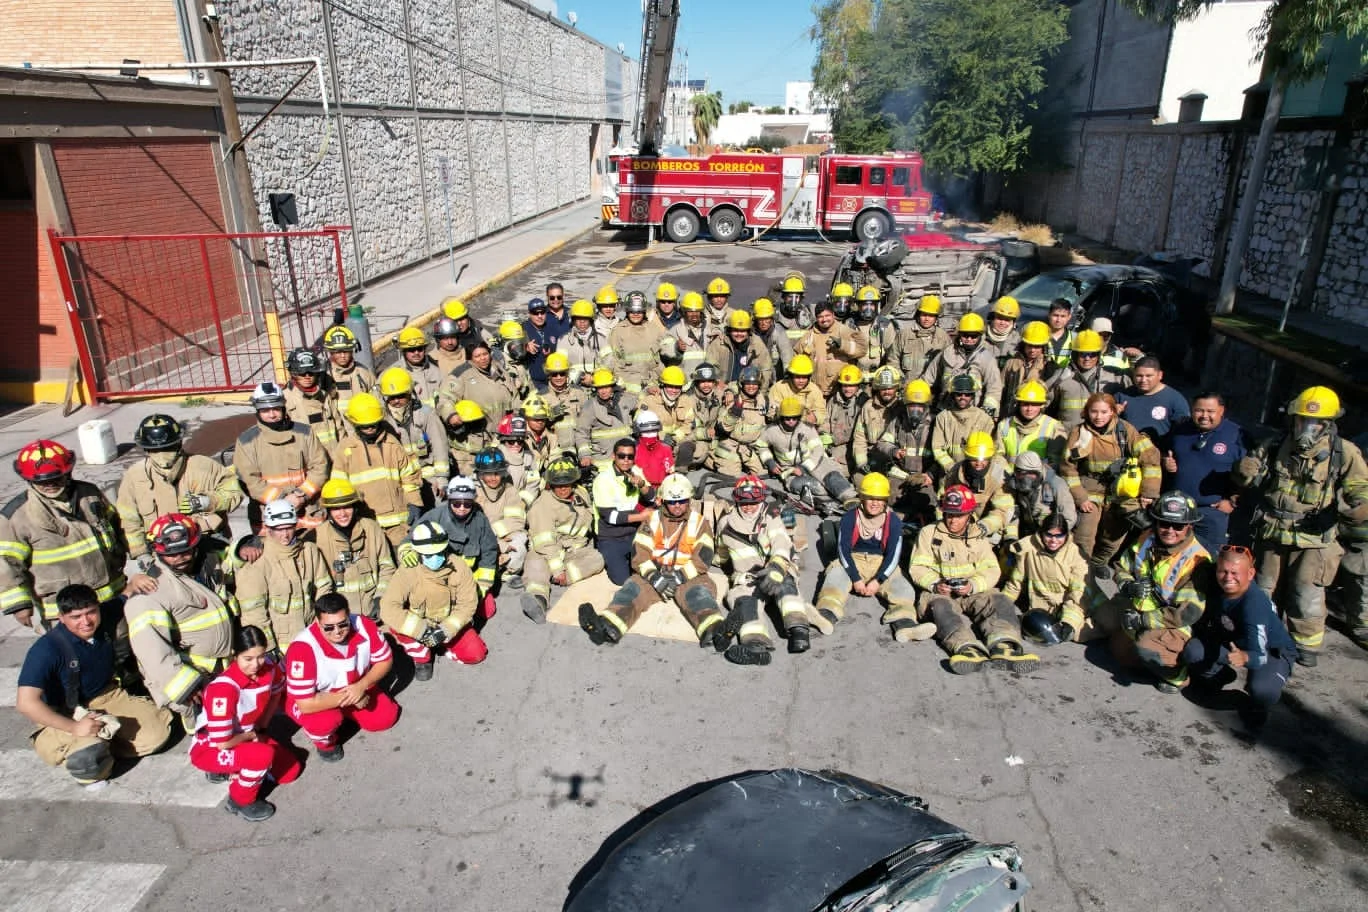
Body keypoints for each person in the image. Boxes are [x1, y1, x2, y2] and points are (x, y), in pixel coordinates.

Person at [1234, 386, 1368, 666]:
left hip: (1314, 539)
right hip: (1272, 531)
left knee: (1306, 592)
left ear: (1327, 424)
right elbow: (1249, 475)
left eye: (1315, 422)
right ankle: (1264, 634)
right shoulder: (1274, 445)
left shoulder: (1344, 453)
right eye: (1302, 420)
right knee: (1264, 587)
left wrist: (1358, 506)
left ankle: (1305, 644)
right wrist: (1243, 471)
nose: (1307, 427)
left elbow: (1359, 488)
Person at [16, 584, 173, 787]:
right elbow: (26, 703)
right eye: (76, 617)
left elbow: (125, 594)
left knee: (158, 734)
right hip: (65, 711)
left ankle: (104, 738)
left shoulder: (105, 615)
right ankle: (77, 744)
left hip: (105, 696)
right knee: (89, 762)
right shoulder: (46, 649)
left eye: (91, 612)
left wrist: (136, 581)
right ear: (61, 617)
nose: (86, 621)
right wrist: (74, 727)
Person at [579, 474, 736, 657]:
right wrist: (654, 576)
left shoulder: (700, 523)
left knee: (697, 595)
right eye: (672, 502)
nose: (677, 506)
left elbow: (703, 557)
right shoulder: (652, 520)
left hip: (690, 574)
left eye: (682, 501)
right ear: (663, 501)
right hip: (655, 571)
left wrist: (680, 576)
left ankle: (716, 631)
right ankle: (607, 626)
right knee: (631, 591)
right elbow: (639, 553)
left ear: (689, 500)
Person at [1, 439, 150, 633]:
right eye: (42, 481)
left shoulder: (89, 494)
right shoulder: (17, 516)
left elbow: (118, 526)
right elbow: (5, 563)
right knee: (79, 659)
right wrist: (19, 605)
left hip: (113, 597)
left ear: (68, 472)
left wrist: (141, 554)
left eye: (57, 478)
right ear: (29, 480)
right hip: (65, 612)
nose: (50, 485)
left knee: (122, 651)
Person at [1084, 491, 1211, 692]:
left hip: (1175, 624)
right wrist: (1127, 585)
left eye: (1178, 526)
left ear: (1189, 526)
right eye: (1164, 523)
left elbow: (1187, 613)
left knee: (1146, 647)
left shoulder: (1198, 561)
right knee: (1119, 651)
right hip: (1140, 608)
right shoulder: (1147, 538)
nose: (1170, 530)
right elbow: (1121, 566)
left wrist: (1142, 622)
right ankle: (1147, 656)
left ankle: (1177, 676)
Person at [909, 486, 1040, 673]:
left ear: (969, 515)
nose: (952, 520)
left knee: (1000, 600)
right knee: (940, 609)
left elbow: (992, 569)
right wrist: (935, 584)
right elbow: (917, 567)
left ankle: (1004, 646)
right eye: (948, 514)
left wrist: (973, 585)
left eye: (958, 515)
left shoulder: (978, 536)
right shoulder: (929, 533)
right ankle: (967, 649)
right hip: (940, 591)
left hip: (971, 589)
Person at [124, 514, 236, 728]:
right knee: (213, 736)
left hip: (223, 669)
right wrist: (185, 688)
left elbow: (231, 559)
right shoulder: (150, 592)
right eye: (173, 554)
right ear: (157, 550)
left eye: (186, 550)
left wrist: (244, 547)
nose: (181, 558)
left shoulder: (204, 564)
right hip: (195, 681)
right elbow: (153, 654)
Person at [189, 625, 303, 821]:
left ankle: (238, 771)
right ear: (235, 655)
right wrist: (252, 735)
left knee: (290, 770)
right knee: (263, 756)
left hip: (245, 735)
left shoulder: (268, 668)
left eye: (260, 656)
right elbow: (223, 742)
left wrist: (263, 728)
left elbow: (276, 693)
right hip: (212, 747)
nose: (256, 664)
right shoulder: (223, 690)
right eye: (248, 659)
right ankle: (240, 800)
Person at [1181, 544, 1296, 732]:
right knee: (1193, 651)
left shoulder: (1254, 606)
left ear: (1250, 574)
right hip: (1233, 639)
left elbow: (1259, 656)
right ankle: (1218, 677)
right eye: (1223, 571)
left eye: (1235, 573)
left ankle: (1256, 707)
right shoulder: (1215, 584)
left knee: (1262, 691)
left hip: (1268, 650)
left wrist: (1245, 657)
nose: (1228, 578)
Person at [284, 592, 398, 762]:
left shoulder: (364, 625)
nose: (337, 632)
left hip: (355, 686)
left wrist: (362, 686)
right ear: (317, 622)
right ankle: (325, 744)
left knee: (385, 718)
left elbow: (385, 660)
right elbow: (306, 703)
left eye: (342, 624)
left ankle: (346, 716)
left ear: (349, 615)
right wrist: (352, 697)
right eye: (328, 627)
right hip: (314, 698)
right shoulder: (303, 648)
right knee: (324, 722)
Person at [116, 413, 242, 562]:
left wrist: (208, 501)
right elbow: (128, 520)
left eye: (169, 448)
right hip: (162, 550)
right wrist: (140, 553)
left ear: (179, 443)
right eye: (155, 451)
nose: (162, 456)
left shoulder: (204, 466)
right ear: (146, 450)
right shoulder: (135, 477)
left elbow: (234, 493)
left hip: (207, 545)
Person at [814, 474, 923, 641]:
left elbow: (893, 555)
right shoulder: (850, 517)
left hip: (881, 562)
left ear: (885, 500)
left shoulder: (892, 520)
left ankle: (905, 625)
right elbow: (843, 550)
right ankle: (825, 615)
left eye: (879, 499)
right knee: (834, 579)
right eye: (870, 498)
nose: (874, 503)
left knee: (904, 589)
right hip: (853, 559)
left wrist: (878, 581)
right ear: (862, 498)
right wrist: (856, 579)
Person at [714, 475, 812, 658]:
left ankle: (799, 630)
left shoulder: (770, 517)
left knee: (786, 587)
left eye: (753, 502)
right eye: (744, 502)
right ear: (736, 501)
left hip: (774, 570)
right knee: (745, 603)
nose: (749, 507)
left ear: (761, 500)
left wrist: (777, 568)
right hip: (748, 578)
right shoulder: (725, 523)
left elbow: (781, 542)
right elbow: (721, 553)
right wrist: (724, 567)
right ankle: (755, 646)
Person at [1060, 392, 1161, 565]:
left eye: (1104, 412)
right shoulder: (1079, 433)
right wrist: (1080, 497)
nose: (1098, 417)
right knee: (1084, 534)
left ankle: (1098, 563)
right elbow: (1068, 468)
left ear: (1113, 412)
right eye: (1094, 412)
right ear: (1086, 412)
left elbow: (1150, 458)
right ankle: (1081, 569)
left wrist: (1148, 493)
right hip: (1090, 488)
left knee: (1113, 536)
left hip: (1121, 489)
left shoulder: (1125, 430)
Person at [381, 521, 486, 679]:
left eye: (440, 552)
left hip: (447, 624)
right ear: (419, 553)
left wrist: (446, 630)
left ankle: (442, 647)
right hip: (419, 626)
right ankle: (422, 658)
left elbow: (467, 604)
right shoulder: (408, 571)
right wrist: (421, 631)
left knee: (476, 654)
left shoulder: (459, 567)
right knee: (397, 626)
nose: (435, 558)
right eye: (429, 555)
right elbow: (389, 608)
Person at [236, 499, 334, 652]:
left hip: (312, 639)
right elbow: (253, 612)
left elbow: (324, 590)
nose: (285, 535)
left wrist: (321, 628)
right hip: (281, 648)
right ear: (268, 529)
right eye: (279, 529)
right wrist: (268, 648)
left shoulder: (309, 551)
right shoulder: (259, 560)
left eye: (289, 528)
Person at [233, 382, 330, 532]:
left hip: (308, 513)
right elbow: (250, 482)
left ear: (284, 407)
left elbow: (320, 466)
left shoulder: (305, 433)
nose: (272, 415)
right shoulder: (247, 441)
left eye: (276, 408)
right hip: (270, 520)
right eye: (265, 410)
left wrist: (301, 495)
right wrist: (283, 500)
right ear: (257, 411)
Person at [330, 392, 424, 547]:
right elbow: (339, 487)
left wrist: (415, 503)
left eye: (373, 424)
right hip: (365, 525)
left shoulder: (392, 444)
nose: (370, 429)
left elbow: (409, 476)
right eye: (365, 425)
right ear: (354, 423)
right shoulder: (346, 449)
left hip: (398, 525)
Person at [520, 456, 605, 623]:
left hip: (575, 549)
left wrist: (565, 574)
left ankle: (562, 577)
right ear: (551, 484)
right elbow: (544, 542)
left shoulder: (580, 493)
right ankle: (538, 600)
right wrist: (557, 568)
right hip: (548, 550)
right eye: (558, 484)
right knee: (535, 562)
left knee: (598, 559)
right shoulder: (542, 505)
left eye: (567, 483)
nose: (563, 488)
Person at [1162, 392, 1245, 553]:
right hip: (1177, 508)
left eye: (1210, 411)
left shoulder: (1237, 435)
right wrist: (1166, 461)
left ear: (1222, 410)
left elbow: (1250, 474)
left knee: (1209, 559)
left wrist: (1233, 501)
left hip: (1211, 512)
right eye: (1199, 410)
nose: (1204, 416)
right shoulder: (1180, 430)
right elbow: (1164, 452)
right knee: (1172, 556)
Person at [312, 479, 395, 619]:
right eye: (336, 509)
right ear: (327, 511)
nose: (342, 513)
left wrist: (380, 598)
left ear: (355, 507)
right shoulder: (318, 537)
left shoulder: (371, 528)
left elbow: (387, 568)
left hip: (374, 613)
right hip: (340, 619)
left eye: (347, 507)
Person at [757, 398, 858, 510]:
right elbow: (761, 446)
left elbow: (818, 449)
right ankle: (831, 495)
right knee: (800, 485)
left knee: (831, 477)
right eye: (787, 418)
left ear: (799, 416)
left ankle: (850, 498)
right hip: (789, 469)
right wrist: (770, 462)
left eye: (794, 418)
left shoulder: (807, 428)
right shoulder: (771, 431)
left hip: (815, 462)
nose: (791, 421)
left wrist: (803, 468)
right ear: (781, 416)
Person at [1004, 512, 1088, 647]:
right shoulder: (1028, 549)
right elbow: (1015, 583)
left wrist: (1069, 622)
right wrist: (1002, 605)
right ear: (1041, 533)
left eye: (1059, 536)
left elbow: (1078, 594)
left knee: (1086, 631)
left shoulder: (1077, 556)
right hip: (1041, 609)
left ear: (1067, 535)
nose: (1054, 541)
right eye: (1049, 535)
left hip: (1075, 606)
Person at [378, 366, 450, 505]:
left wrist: (442, 479)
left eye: (400, 396)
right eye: (391, 397)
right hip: (402, 481)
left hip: (429, 477)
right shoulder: (383, 420)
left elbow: (439, 446)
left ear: (409, 394)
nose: (396, 401)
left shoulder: (426, 414)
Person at [875, 380, 938, 522]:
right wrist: (893, 451)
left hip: (923, 477)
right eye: (912, 406)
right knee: (888, 498)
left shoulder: (935, 425)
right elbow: (883, 442)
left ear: (926, 406)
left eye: (919, 407)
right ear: (906, 406)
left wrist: (930, 474)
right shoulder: (898, 421)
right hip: (901, 475)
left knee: (927, 502)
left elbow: (942, 454)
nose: (915, 411)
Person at [593, 437, 653, 584]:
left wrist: (642, 484)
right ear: (614, 456)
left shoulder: (636, 472)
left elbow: (652, 498)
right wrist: (642, 517)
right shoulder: (603, 480)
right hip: (610, 537)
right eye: (621, 456)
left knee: (650, 569)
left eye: (630, 457)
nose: (626, 460)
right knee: (622, 579)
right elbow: (610, 517)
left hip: (633, 532)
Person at [922, 313, 1004, 417]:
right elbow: (928, 378)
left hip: (973, 414)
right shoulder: (947, 353)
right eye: (965, 335)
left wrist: (988, 410)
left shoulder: (987, 359)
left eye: (973, 336)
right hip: (945, 412)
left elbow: (994, 388)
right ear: (960, 335)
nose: (969, 339)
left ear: (980, 336)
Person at [462, 455, 524, 588]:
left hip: (503, 534)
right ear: (480, 473)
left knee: (520, 543)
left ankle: (503, 573)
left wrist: (497, 532)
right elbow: (468, 524)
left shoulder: (509, 490)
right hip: (479, 537)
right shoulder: (471, 491)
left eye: (497, 473)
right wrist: (496, 541)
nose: (493, 478)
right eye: (488, 474)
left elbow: (516, 520)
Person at [940, 432, 1015, 540]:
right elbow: (944, 499)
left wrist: (983, 527)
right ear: (967, 456)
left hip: (988, 529)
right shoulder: (956, 472)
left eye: (984, 459)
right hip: (959, 523)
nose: (979, 463)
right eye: (974, 459)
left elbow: (1002, 511)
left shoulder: (999, 477)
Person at [1048, 330, 1127, 429]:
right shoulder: (1062, 376)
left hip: (1099, 437)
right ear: (1075, 355)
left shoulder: (1111, 377)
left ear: (1098, 355)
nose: (1087, 358)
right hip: (1067, 437)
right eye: (1083, 354)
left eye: (1092, 354)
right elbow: (1044, 405)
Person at [794, 299, 867, 396]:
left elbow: (862, 349)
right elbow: (796, 356)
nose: (824, 320)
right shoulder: (810, 335)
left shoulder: (843, 330)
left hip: (839, 392)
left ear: (833, 315)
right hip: (816, 392)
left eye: (827, 316)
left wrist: (842, 345)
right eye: (820, 317)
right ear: (816, 318)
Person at [575, 368, 638, 475]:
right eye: (600, 388)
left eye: (606, 387)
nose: (603, 391)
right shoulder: (589, 407)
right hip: (603, 463)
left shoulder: (624, 400)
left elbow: (640, 404)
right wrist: (585, 455)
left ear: (613, 387)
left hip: (625, 459)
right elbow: (581, 433)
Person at [438, 340, 518, 424]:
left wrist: (518, 415)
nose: (483, 358)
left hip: (506, 426)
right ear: (470, 358)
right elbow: (445, 397)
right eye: (477, 356)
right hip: (479, 432)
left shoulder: (499, 369)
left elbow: (515, 396)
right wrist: (451, 415)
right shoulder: (461, 374)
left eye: (485, 354)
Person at [709, 366, 768, 477]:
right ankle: (709, 457)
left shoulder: (763, 400)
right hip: (731, 443)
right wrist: (735, 411)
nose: (751, 387)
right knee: (731, 474)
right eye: (748, 383)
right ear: (741, 384)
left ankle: (743, 462)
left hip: (750, 446)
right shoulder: (732, 399)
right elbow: (723, 427)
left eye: (755, 383)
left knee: (762, 473)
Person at [1116, 356, 1189, 446]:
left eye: (1149, 376)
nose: (1143, 380)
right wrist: (1113, 414)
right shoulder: (1122, 396)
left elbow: (1183, 432)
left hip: (1158, 454)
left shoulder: (1175, 399)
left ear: (1160, 375)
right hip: (1127, 452)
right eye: (1139, 376)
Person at [930, 374, 995, 474]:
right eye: (959, 394)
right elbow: (937, 449)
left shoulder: (984, 420)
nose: (963, 397)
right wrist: (953, 468)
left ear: (973, 396)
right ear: (952, 395)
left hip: (975, 474)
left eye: (967, 394)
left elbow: (988, 453)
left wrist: (974, 471)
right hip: (948, 475)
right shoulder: (943, 417)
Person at [283, 347, 346, 451]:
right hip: (309, 462)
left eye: (311, 372)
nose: (307, 376)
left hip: (334, 457)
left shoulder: (325, 396)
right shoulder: (286, 400)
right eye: (302, 373)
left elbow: (339, 428)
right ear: (293, 373)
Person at [1004, 451, 1076, 542]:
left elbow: (1069, 518)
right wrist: (1011, 539)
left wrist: (1051, 536)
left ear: (1039, 472)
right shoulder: (1013, 486)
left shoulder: (1057, 484)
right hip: (1026, 533)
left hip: (1052, 538)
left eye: (1031, 474)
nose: (1026, 479)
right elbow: (1011, 513)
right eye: (1021, 473)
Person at [994, 380, 1065, 466]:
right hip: (1007, 476)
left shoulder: (1054, 426)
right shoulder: (1004, 425)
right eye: (1025, 404)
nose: (1029, 409)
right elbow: (997, 456)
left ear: (1042, 405)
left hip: (1039, 477)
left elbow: (1055, 463)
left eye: (1034, 404)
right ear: (1018, 404)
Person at [851, 365, 902, 478]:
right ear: (877, 388)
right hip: (871, 457)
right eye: (883, 388)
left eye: (890, 388)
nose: (887, 391)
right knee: (859, 481)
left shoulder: (902, 408)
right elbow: (859, 438)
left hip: (894, 459)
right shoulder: (868, 407)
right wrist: (862, 463)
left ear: (897, 387)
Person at [605, 293, 661, 394]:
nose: (636, 314)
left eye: (639, 311)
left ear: (644, 311)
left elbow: (660, 361)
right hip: (626, 388)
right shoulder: (618, 331)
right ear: (627, 310)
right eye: (632, 311)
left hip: (652, 386)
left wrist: (654, 381)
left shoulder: (654, 330)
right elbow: (613, 362)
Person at [705, 310, 775, 391]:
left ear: (749, 331)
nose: (739, 334)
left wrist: (760, 393)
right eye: (735, 330)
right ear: (729, 330)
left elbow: (765, 370)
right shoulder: (718, 344)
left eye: (743, 331)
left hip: (749, 391)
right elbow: (710, 368)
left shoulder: (757, 344)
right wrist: (718, 384)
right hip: (723, 390)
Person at [639, 366, 697, 462]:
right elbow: (640, 426)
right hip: (655, 441)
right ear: (663, 385)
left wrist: (675, 438)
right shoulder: (649, 401)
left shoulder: (686, 401)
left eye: (677, 387)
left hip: (676, 440)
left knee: (695, 450)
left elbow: (689, 424)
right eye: (670, 386)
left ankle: (678, 470)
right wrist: (661, 436)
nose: (674, 391)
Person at [321, 325, 375, 415]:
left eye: (346, 351)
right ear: (330, 351)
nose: (343, 356)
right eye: (338, 352)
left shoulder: (363, 373)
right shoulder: (324, 375)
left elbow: (376, 400)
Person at [539, 351, 586, 452]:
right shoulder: (540, 396)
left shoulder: (579, 393)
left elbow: (588, 421)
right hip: (554, 450)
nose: (559, 377)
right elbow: (535, 426)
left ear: (567, 374)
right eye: (554, 374)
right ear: (549, 375)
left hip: (578, 448)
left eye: (562, 373)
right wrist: (549, 415)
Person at [1000, 321, 1052, 410]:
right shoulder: (1011, 363)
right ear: (1023, 344)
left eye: (1037, 347)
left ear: (1044, 347)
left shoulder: (1049, 367)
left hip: (1033, 413)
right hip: (1009, 412)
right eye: (1029, 346)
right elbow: (1000, 388)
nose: (1032, 350)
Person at [822, 365, 866, 470]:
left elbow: (856, 431)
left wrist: (833, 439)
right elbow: (826, 419)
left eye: (851, 386)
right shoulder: (834, 400)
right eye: (845, 385)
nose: (847, 389)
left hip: (849, 446)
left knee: (834, 469)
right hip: (830, 444)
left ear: (858, 386)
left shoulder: (863, 403)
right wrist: (823, 433)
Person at [897, 294, 951, 380]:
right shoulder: (904, 335)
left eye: (931, 315)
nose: (927, 319)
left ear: (936, 318)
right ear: (918, 315)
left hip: (933, 389)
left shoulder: (943, 337)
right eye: (924, 315)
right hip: (908, 387)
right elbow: (893, 360)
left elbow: (950, 365)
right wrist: (901, 380)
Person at [850, 286, 899, 375]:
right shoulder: (850, 325)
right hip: (855, 375)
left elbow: (893, 354)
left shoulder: (885, 325)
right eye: (865, 305)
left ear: (877, 306)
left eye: (872, 305)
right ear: (858, 306)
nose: (868, 309)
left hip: (879, 374)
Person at [766, 355, 825, 429]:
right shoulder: (779, 387)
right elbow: (771, 413)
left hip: (806, 428)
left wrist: (816, 418)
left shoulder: (814, 390)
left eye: (804, 377)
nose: (801, 381)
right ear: (791, 375)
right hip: (782, 428)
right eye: (797, 377)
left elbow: (822, 412)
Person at [557, 299, 606, 387]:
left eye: (585, 318)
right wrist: (579, 377)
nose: (582, 321)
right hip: (572, 387)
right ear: (573, 320)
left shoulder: (601, 339)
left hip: (597, 386)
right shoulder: (563, 340)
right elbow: (559, 367)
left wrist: (593, 378)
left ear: (591, 320)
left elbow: (609, 363)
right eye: (578, 318)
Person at [687, 363, 726, 471]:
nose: (706, 385)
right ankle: (695, 461)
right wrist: (705, 433)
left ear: (714, 382)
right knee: (698, 454)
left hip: (715, 438)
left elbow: (736, 385)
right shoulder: (688, 399)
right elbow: (688, 429)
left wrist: (730, 392)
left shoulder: (719, 394)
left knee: (724, 466)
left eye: (709, 381)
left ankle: (708, 459)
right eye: (703, 381)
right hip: (696, 437)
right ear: (696, 382)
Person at [394, 326, 443, 409]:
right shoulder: (394, 373)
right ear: (404, 351)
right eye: (412, 350)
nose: (416, 353)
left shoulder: (435, 369)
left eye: (420, 349)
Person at [444, 398, 492, 477]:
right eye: (471, 424)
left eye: (476, 423)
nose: (475, 428)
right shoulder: (454, 450)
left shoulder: (486, 438)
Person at [521, 297, 559, 391]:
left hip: (554, 378)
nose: (540, 316)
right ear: (529, 314)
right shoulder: (523, 329)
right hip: (535, 380)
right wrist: (524, 347)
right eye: (535, 313)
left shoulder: (552, 326)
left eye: (542, 312)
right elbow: (511, 350)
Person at [670, 292, 711, 379]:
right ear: (684, 312)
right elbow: (664, 352)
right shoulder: (675, 331)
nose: (694, 315)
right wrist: (675, 347)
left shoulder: (709, 329)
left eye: (697, 311)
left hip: (706, 382)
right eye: (690, 311)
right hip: (686, 383)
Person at [632, 411, 676, 487]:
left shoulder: (666, 449)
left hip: (663, 489)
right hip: (642, 490)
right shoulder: (633, 450)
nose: (650, 435)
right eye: (646, 431)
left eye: (654, 431)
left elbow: (671, 474)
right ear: (638, 431)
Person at [752, 297, 794, 374]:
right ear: (755, 319)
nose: (763, 322)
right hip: (754, 376)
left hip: (775, 376)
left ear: (772, 318)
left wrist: (788, 376)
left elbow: (787, 357)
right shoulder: (750, 334)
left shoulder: (779, 332)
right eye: (760, 319)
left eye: (766, 318)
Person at [983, 296, 1021, 369]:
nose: (1002, 323)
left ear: (1013, 322)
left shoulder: (1018, 342)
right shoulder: (980, 336)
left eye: (1007, 320)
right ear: (992, 318)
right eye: (999, 318)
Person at [774, 274, 812, 343]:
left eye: (796, 297)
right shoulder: (775, 315)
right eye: (790, 297)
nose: (793, 301)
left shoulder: (808, 315)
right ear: (784, 297)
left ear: (801, 298)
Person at [1044, 298, 1075, 368]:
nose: (1058, 320)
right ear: (1049, 315)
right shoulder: (1039, 336)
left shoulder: (1075, 338)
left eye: (1063, 316)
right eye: (1055, 315)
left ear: (1069, 317)